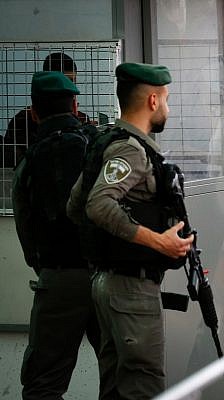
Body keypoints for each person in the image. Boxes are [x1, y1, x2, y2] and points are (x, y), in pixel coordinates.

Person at [66, 63, 193, 399]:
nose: (168, 107)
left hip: (107, 283)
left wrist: (109, 246)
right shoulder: (130, 150)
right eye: (166, 99)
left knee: (114, 385)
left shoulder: (105, 142)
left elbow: (75, 206)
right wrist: (158, 242)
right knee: (143, 384)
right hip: (130, 288)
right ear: (153, 100)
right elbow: (98, 206)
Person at [11, 71, 102, 400]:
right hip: (105, 277)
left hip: (59, 279)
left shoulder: (29, 161)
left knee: (44, 383)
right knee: (120, 375)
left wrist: (48, 269)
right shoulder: (99, 147)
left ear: (33, 113)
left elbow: (25, 229)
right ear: (76, 106)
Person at [3, 52, 91, 169]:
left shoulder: (81, 119)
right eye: (66, 81)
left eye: (72, 81)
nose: (68, 87)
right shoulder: (22, 120)